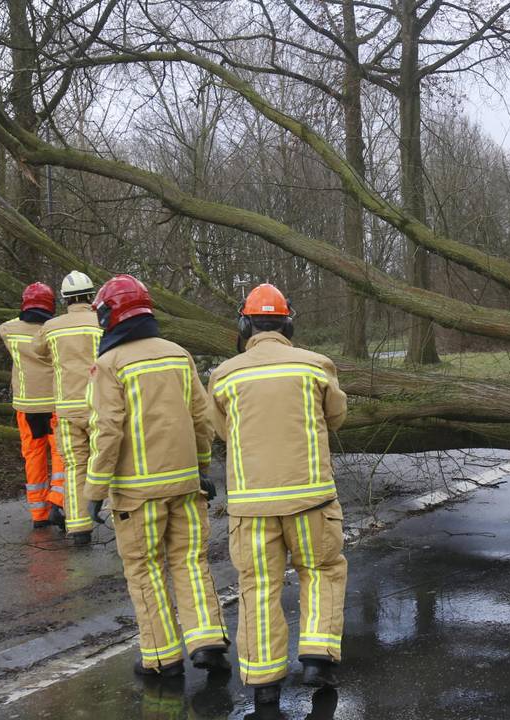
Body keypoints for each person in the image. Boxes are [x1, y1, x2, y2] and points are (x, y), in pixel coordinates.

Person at [207, 283, 348, 715]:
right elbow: (337, 416)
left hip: (251, 508)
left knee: (257, 588)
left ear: (244, 324)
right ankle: (318, 657)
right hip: (312, 501)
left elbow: (220, 429)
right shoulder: (316, 366)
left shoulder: (224, 374)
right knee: (322, 570)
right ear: (288, 323)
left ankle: (265, 685)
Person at [84, 275, 231, 678]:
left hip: (136, 493)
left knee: (145, 569)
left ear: (109, 316)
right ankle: (207, 641)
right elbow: (201, 419)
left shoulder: (110, 365)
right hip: (186, 485)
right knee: (190, 562)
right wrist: (202, 469)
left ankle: (163, 658)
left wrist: (94, 490)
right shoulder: (178, 354)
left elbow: (107, 430)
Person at [33, 271, 102, 545]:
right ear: (91, 294)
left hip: (67, 409)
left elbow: (38, 350)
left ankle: (78, 528)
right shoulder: (101, 322)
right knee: (111, 460)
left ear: (64, 299)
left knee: (75, 466)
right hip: (99, 405)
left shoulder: (52, 327)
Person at [0, 282, 66, 529]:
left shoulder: (8, 330)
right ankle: (58, 501)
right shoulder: (54, 330)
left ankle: (39, 513)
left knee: (33, 456)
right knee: (60, 453)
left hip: (26, 407)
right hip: (55, 403)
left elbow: (9, 324)